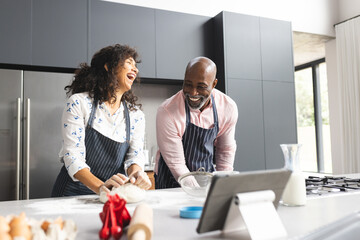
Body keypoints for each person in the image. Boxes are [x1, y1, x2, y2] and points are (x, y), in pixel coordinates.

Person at [52, 44, 151, 197]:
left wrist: (137, 173)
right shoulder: (79, 103)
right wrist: (100, 187)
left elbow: (134, 156)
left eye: (136, 66)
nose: (135, 69)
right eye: (129, 63)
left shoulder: (135, 115)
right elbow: (72, 156)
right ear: (108, 67)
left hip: (111, 194)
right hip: (72, 193)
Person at [154, 56, 238, 189]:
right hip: (171, 181)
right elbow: (177, 164)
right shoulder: (167, 111)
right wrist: (197, 192)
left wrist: (221, 186)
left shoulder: (227, 107)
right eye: (188, 84)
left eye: (201, 86)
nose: (193, 92)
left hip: (206, 179)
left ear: (214, 84)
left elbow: (225, 150)